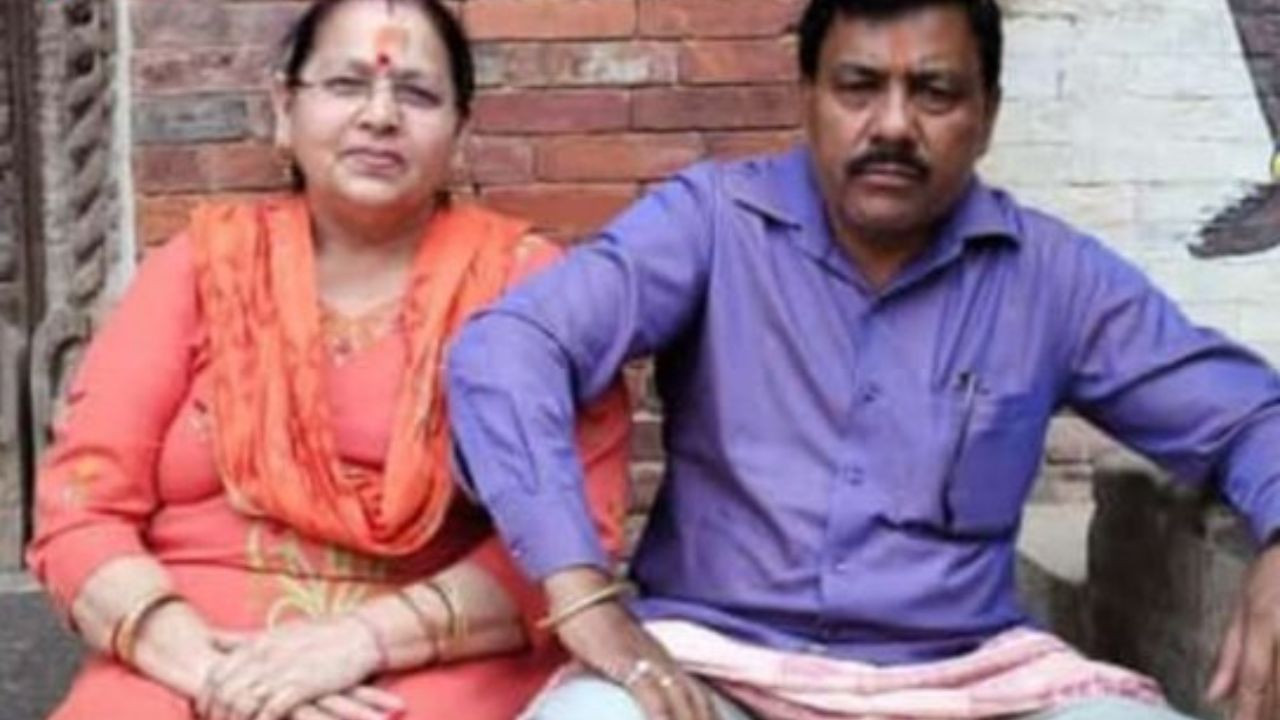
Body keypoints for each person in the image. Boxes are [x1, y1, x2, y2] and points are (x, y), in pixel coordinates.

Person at [445, 1, 1280, 719]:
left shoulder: (1050, 277)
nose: (892, 126)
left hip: (964, 683)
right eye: (858, 86)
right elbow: (509, 349)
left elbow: (1248, 413)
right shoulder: (713, 224)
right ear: (808, 98)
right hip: (715, 672)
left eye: (935, 92)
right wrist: (580, 591)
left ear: (988, 113)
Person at [26, 1, 631, 718]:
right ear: (284, 109)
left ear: (461, 132)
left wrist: (357, 642)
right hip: (186, 663)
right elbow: (80, 510)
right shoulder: (199, 272)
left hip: (429, 666)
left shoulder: (528, 291)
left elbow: (573, 538)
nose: (380, 116)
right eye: (346, 85)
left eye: (417, 94)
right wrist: (220, 675)